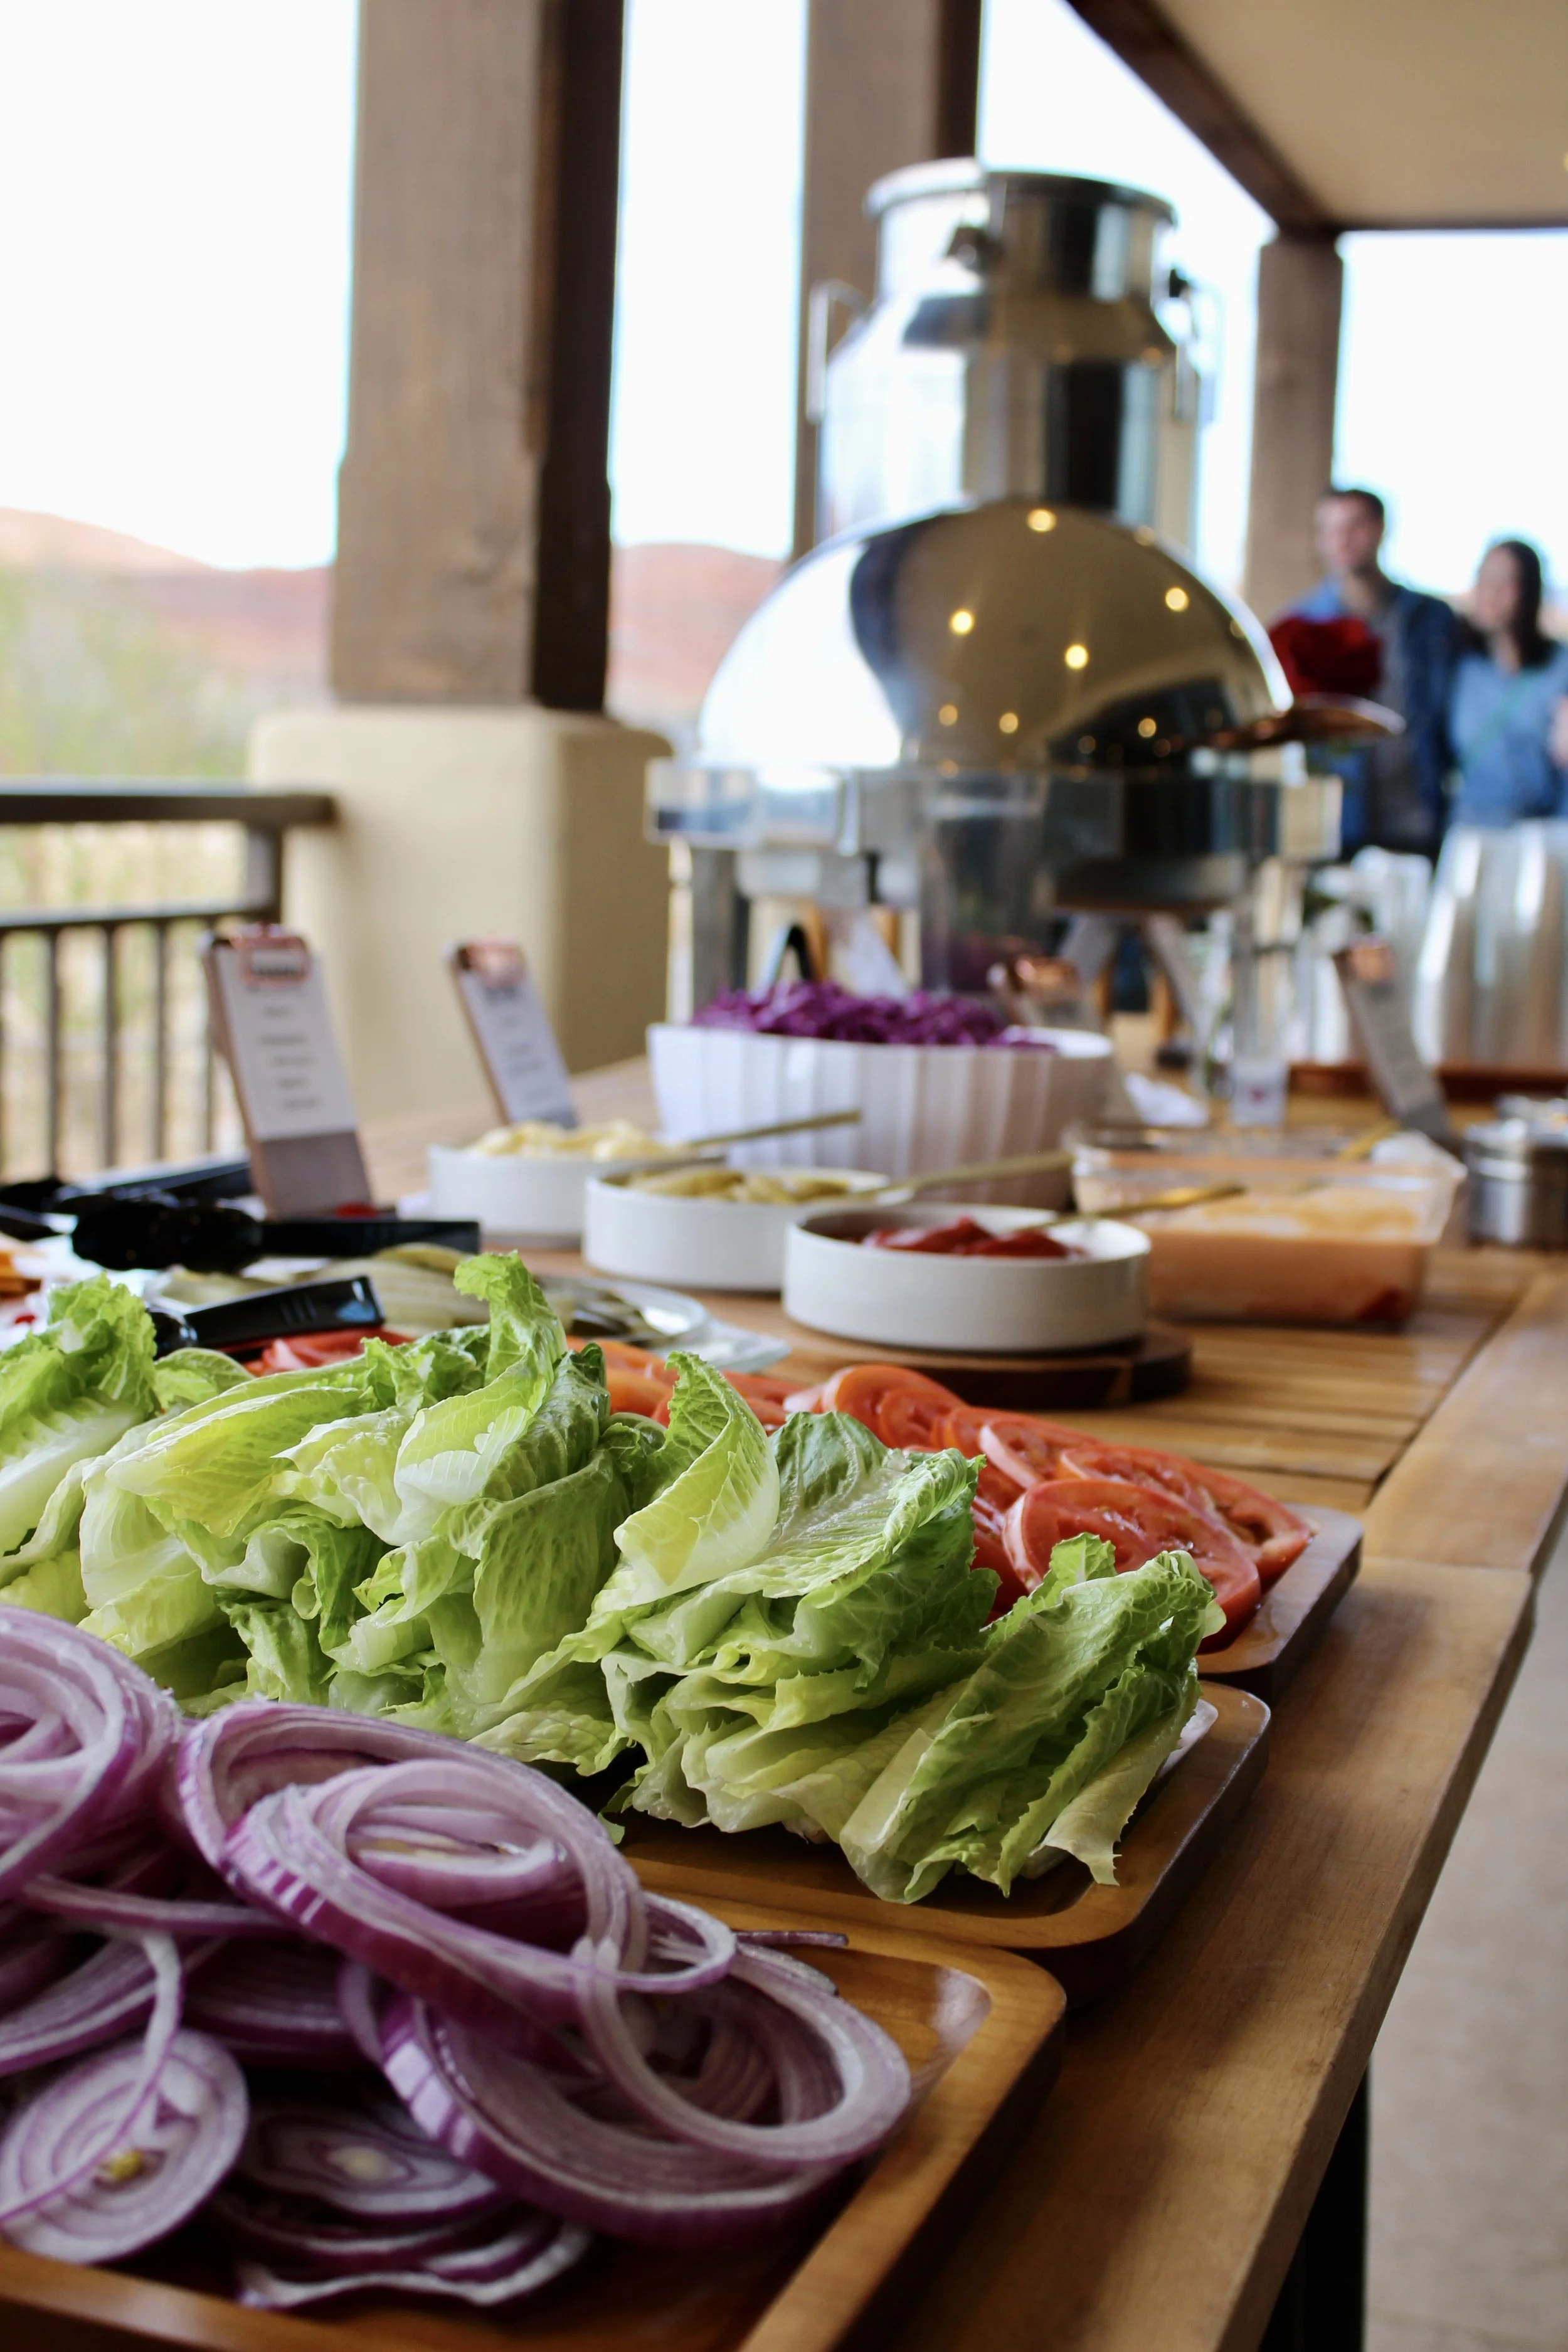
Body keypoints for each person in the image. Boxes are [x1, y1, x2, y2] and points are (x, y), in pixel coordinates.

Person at [1286, 487, 1458, 857]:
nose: (1342, 541)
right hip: (1336, 822)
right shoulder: (1301, 627)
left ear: (1380, 530)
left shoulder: (1429, 619)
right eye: (1330, 530)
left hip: (1416, 815)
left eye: (1354, 527)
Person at [1448, 539, 1568, 827]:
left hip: (1539, 834)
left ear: (1529, 590)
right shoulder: (1460, 666)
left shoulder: (1559, 668)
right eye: (1484, 579)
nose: (1490, 593)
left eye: (1505, 582)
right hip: (1469, 832)